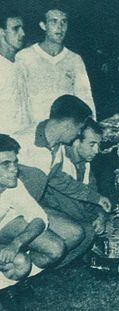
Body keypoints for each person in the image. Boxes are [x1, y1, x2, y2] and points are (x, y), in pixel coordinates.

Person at [13, 95, 95, 266]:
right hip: (9, 214)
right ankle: (14, 269)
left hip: (32, 210)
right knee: (55, 247)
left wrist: (96, 198)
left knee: (76, 233)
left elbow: (60, 181)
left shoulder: (57, 147)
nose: (79, 133)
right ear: (68, 125)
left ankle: (25, 271)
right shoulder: (21, 142)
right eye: (79, 128)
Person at [0, 134, 65, 292]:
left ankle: (8, 285)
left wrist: (16, 244)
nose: (14, 169)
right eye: (5, 164)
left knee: (22, 262)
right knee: (18, 262)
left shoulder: (13, 185)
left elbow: (39, 217)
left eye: (15, 162)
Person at [41, 119, 111, 265]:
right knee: (82, 231)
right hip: (44, 215)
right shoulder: (58, 159)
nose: (97, 151)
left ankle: (58, 264)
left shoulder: (85, 164)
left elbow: (93, 195)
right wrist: (94, 215)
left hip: (70, 216)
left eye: (98, 145)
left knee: (94, 230)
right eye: (92, 144)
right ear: (76, 141)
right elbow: (68, 202)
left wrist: (101, 215)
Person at [16, 4, 96, 124]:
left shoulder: (74, 59)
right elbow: (19, 100)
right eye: (54, 22)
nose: (60, 27)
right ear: (43, 25)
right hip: (33, 130)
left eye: (64, 22)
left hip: (66, 131)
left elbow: (85, 97)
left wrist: (91, 128)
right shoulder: (25, 57)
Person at [0, 6, 31, 134]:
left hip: (25, 140)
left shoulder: (22, 65)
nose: (22, 33)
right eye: (15, 29)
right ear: (1, 32)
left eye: (22, 28)